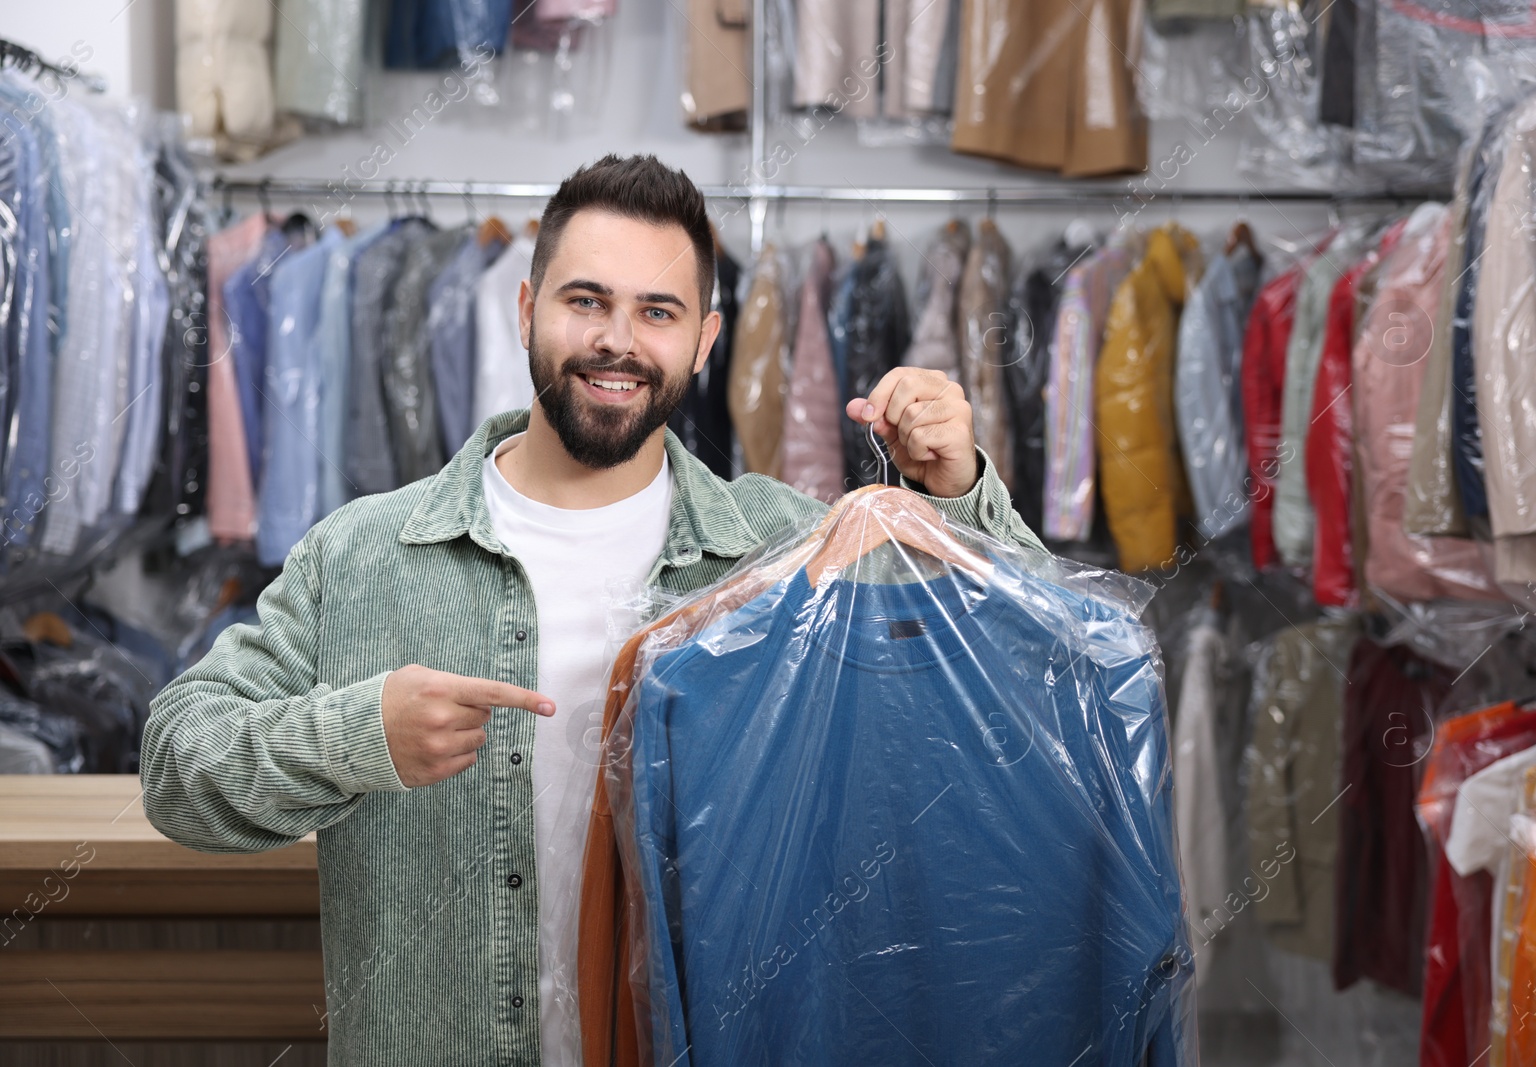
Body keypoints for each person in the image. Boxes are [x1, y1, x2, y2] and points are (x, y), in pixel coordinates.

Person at [140, 154, 1045, 1066]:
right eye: (586, 301)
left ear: (704, 340)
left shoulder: (788, 550)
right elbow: (177, 768)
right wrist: (354, 736)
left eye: (657, 312)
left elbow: (1030, 678)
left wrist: (958, 493)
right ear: (527, 308)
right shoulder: (363, 553)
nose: (617, 340)